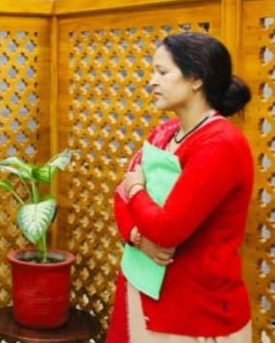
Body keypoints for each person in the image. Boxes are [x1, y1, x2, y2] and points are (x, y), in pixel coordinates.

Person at [108, 32, 253, 342]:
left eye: (162, 72)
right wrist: (138, 238)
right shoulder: (166, 132)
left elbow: (167, 228)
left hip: (195, 312)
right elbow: (120, 198)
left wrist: (136, 190)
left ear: (196, 78)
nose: (151, 82)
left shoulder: (221, 145)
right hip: (145, 289)